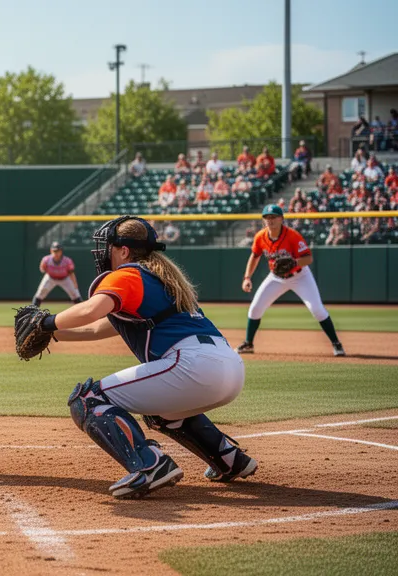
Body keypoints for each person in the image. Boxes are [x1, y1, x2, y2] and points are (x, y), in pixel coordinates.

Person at [19, 216, 256, 499]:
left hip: (192, 365)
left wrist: (45, 322)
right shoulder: (162, 279)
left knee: (87, 399)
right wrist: (53, 335)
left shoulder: (128, 274)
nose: (103, 252)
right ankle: (229, 459)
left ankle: (149, 464)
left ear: (124, 250)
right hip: (227, 367)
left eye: (108, 246)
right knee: (159, 410)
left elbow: (91, 310)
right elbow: (96, 328)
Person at [235, 204, 345, 357]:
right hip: (276, 277)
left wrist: (293, 263)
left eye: (273, 217)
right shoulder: (260, 236)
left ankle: (336, 343)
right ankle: (248, 343)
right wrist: (247, 277)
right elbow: (255, 256)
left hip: (300, 276)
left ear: (281, 219)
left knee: (317, 310)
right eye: (267, 217)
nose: (270, 220)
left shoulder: (293, 236)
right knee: (255, 308)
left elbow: (308, 258)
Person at [32, 241, 81, 307]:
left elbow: (71, 273)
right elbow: (42, 268)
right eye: (54, 251)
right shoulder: (46, 260)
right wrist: (43, 268)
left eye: (58, 251)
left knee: (75, 294)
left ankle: (81, 312)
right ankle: (32, 311)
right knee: (40, 293)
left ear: (61, 251)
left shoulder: (67, 261)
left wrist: (75, 284)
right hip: (50, 278)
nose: (56, 253)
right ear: (51, 251)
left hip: (65, 279)